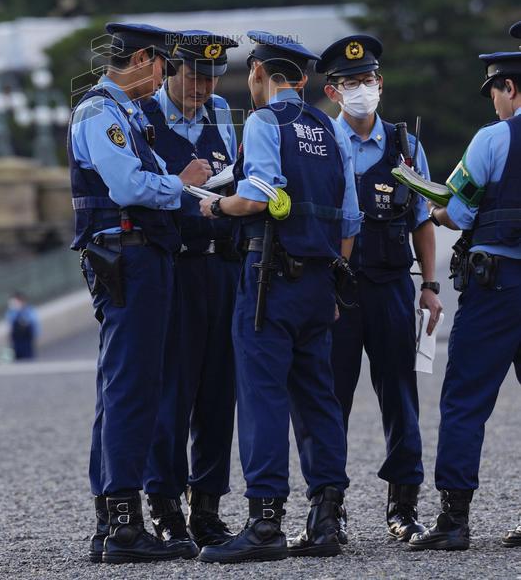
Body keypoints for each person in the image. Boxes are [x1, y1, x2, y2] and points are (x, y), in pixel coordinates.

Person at [196, 31, 362, 563]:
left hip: (270, 279)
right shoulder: (329, 129)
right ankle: (326, 517)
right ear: (304, 78)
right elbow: (350, 218)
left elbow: (257, 195)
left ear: (260, 73)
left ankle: (265, 522)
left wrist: (216, 206)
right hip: (319, 281)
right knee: (317, 397)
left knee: (263, 397)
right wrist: (333, 276)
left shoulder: (266, 122)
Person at [68, 22, 212, 565]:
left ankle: (111, 519)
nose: (165, 78)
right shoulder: (102, 112)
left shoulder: (121, 112)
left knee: (119, 387)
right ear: (146, 59)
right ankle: (125, 525)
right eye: (164, 66)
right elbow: (127, 186)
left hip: (132, 255)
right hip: (130, 257)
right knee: (133, 387)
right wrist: (182, 182)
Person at [316, 34, 442, 541]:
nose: (361, 89)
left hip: (391, 286)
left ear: (381, 84)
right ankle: (329, 506)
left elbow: (422, 220)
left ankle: (403, 505)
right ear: (333, 91)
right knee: (331, 398)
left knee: (400, 396)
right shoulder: (319, 142)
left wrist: (429, 285)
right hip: (337, 291)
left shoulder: (406, 146)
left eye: (367, 79)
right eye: (350, 83)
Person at [409, 30, 521, 552]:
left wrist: (433, 211)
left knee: (466, 400)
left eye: (495, 92)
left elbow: (457, 210)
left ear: (509, 87)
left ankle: (454, 520)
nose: (495, 104)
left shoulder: (493, 138)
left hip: (498, 286)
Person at [142, 32, 239, 550]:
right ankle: (164, 505)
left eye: (212, 78)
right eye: (195, 76)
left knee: (220, 392)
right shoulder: (144, 117)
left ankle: (207, 507)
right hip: (174, 266)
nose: (204, 87)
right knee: (171, 393)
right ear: (170, 70)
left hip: (222, 266)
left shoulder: (220, 112)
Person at [6, 292, 39, 360]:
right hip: (16, 342)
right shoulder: (11, 313)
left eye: (15, 302)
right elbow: (10, 327)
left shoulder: (29, 311)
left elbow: (34, 326)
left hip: (27, 342)